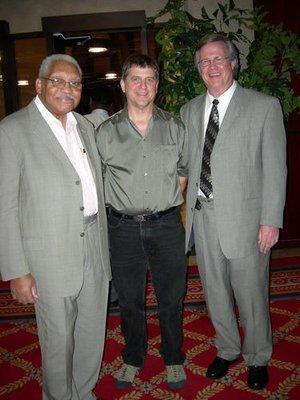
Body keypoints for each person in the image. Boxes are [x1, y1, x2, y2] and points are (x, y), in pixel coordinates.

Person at [0, 54, 111, 400]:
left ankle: (83, 391)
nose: (68, 89)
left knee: (92, 331)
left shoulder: (85, 127)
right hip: (48, 256)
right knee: (58, 340)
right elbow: (5, 205)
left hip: (93, 243)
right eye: (58, 81)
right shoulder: (12, 130)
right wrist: (16, 270)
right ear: (39, 85)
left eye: (75, 83)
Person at [180, 33, 287, 390]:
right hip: (203, 216)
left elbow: (276, 169)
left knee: (251, 292)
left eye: (218, 59)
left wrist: (270, 220)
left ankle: (258, 355)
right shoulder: (189, 110)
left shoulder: (263, 106)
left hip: (246, 221)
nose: (212, 67)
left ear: (233, 62)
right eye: (205, 62)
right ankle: (227, 348)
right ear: (199, 69)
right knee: (214, 290)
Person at [96, 54, 188, 390]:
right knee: (130, 300)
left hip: (165, 227)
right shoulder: (105, 133)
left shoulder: (175, 126)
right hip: (122, 229)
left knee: (171, 297)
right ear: (122, 84)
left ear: (157, 85)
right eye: (135, 79)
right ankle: (134, 356)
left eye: (150, 79)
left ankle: (173, 356)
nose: (143, 86)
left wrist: (160, 205)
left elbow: (183, 172)